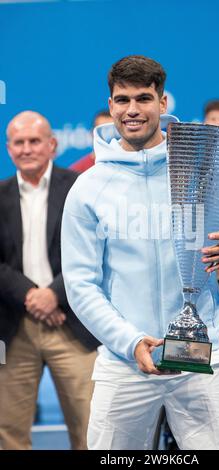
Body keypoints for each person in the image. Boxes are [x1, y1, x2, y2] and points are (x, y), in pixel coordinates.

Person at [61, 55, 219, 450]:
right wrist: (131, 342)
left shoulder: (202, 170)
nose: (132, 110)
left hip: (200, 360)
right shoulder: (88, 187)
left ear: (163, 104)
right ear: (111, 105)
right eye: (122, 100)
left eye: (144, 98)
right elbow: (81, 285)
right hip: (125, 363)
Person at [0, 111, 99, 450]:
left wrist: (54, 295)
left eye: (34, 141)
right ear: (9, 148)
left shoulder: (79, 188)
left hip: (72, 322)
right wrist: (32, 296)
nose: (27, 149)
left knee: (92, 429)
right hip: (12, 328)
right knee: (8, 433)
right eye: (19, 142)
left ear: (52, 145)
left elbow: (94, 252)